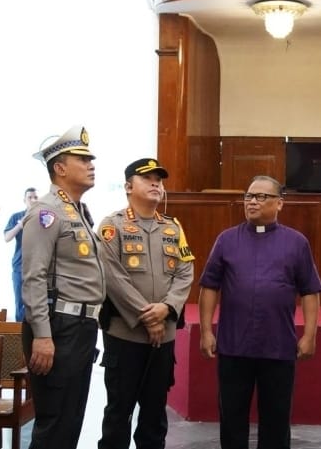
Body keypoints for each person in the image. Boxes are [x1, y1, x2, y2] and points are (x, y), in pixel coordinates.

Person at [198, 175, 321, 449]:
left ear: (280, 203)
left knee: (276, 421)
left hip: (278, 346)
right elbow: (209, 287)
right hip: (233, 345)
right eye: (248, 196)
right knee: (232, 418)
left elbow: (309, 291)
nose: (252, 201)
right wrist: (206, 331)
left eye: (261, 196)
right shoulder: (226, 240)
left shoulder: (296, 242)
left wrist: (310, 335)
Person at [96, 158, 195, 449]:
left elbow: (185, 271)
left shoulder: (173, 227)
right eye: (147, 178)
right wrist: (146, 317)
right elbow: (112, 277)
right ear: (128, 186)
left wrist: (166, 309)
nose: (156, 184)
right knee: (118, 412)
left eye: (159, 180)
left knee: (155, 413)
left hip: (163, 337)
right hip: (124, 335)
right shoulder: (112, 226)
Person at [21, 125, 106, 449]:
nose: (91, 164)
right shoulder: (46, 212)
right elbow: (34, 278)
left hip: (80, 327)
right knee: (55, 423)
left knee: (69, 423)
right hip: (58, 327)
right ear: (59, 168)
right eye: (82, 159)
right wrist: (42, 335)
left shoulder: (78, 212)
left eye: (91, 159)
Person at [4, 186, 38, 322]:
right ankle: (20, 340)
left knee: (38, 304)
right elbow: (7, 237)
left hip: (39, 267)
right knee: (20, 304)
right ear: (24, 200)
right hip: (20, 267)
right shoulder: (16, 216)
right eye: (30, 197)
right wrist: (20, 225)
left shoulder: (44, 217)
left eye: (36, 197)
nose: (33, 200)